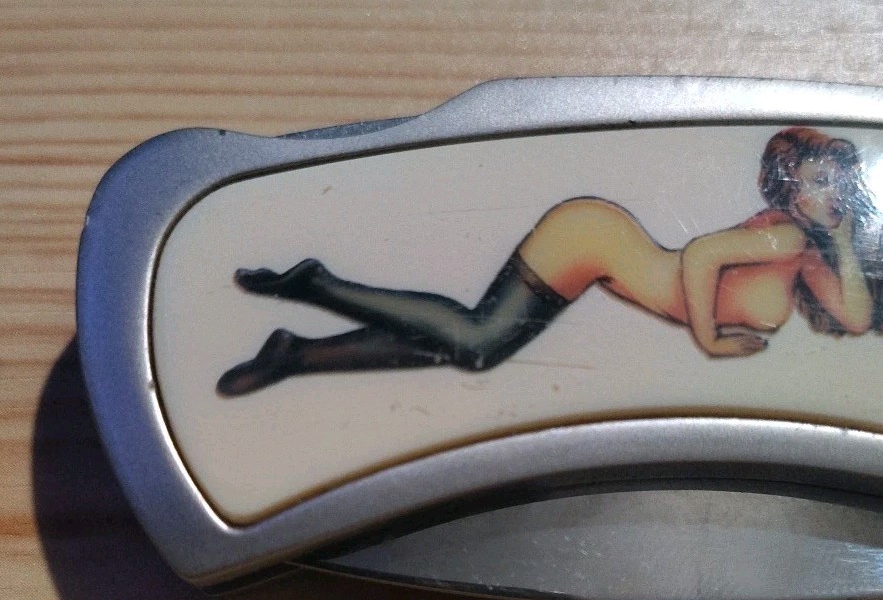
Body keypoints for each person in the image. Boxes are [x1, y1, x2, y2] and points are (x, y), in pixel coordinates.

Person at [217, 127, 877, 397]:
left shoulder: (808, 250)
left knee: (471, 348)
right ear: (787, 187)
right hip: (592, 242)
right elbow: (701, 255)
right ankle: (317, 285)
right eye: (818, 181)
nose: (832, 196)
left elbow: (852, 317)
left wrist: (847, 242)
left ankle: (294, 354)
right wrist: (710, 341)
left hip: (603, 248)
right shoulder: (783, 238)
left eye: (839, 184)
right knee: (478, 341)